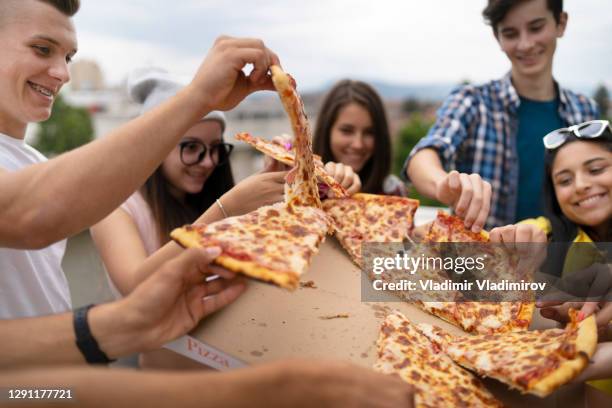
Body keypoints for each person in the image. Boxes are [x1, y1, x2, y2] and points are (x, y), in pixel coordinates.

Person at [0, 1, 416, 405]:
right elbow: (32, 213)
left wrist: (478, 270)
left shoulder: (31, 161)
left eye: (70, 56)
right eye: (42, 49)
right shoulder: (113, 202)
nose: (63, 73)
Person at [404, 0, 599, 232]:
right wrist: (442, 184)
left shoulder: (585, 110)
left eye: (536, 28)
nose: (525, 44)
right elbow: (424, 155)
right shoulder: (472, 101)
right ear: (498, 38)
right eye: (510, 33)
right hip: (481, 263)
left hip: (567, 264)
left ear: (561, 23)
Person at [313, 79, 406, 196]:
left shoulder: (394, 192)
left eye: (369, 132)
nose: (358, 144)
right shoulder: (300, 188)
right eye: (347, 131)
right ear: (326, 131)